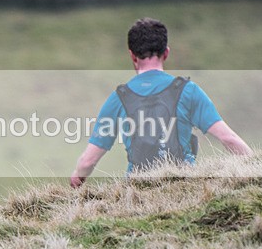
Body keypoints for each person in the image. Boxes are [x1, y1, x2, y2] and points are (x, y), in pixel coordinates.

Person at [70, 17, 251, 188]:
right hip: (185, 189)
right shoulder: (188, 90)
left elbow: (89, 161)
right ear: (166, 53)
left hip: (137, 193)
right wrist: (258, 169)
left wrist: (77, 178)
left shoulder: (119, 98)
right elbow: (228, 139)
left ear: (132, 56)